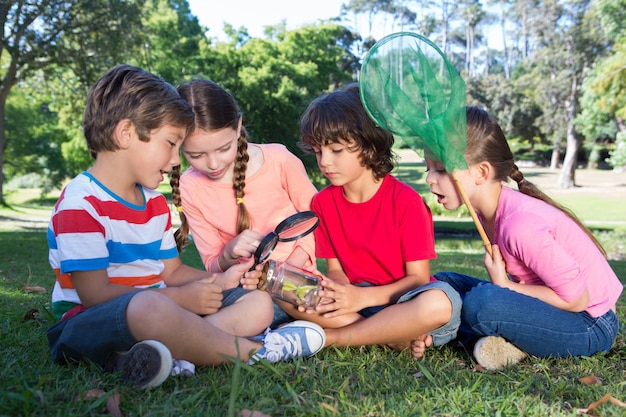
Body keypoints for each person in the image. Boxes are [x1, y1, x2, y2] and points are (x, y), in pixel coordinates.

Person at [46, 64, 325, 389]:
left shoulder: (153, 204)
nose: (177, 161)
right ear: (126, 134)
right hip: (86, 322)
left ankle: (170, 353)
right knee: (150, 305)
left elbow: (173, 273)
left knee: (258, 303)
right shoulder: (81, 203)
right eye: (170, 143)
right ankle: (260, 351)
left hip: (161, 307)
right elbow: (94, 295)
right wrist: (180, 299)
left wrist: (220, 280)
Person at [428, 106, 622, 370]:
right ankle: (508, 342)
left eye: (440, 170)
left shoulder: (519, 226)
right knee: (444, 281)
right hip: (559, 311)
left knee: (481, 304)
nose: (429, 179)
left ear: (481, 173)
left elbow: (576, 300)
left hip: (590, 324)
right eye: (429, 168)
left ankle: (457, 332)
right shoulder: (486, 210)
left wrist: (504, 285)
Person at [291, 83, 461, 359]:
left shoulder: (406, 201)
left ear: (369, 145)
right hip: (356, 303)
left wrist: (362, 299)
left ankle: (333, 338)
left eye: (336, 150)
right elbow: (335, 270)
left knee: (441, 301)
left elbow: (417, 279)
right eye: (318, 151)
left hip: (405, 301)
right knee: (289, 288)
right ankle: (388, 336)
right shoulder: (322, 203)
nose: (324, 161)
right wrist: (340, 292)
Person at [170, 79, 317, 327]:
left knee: (314, 311)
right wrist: (228, 253)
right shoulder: (190, 188)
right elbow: (213, 265)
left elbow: (316, 221)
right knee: (244, 310)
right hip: (245, 295)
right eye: (196, 155)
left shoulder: (278, 159)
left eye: (224, 148)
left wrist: (282, 273)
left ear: (238, 127)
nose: (213, 164)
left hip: (298, 281)